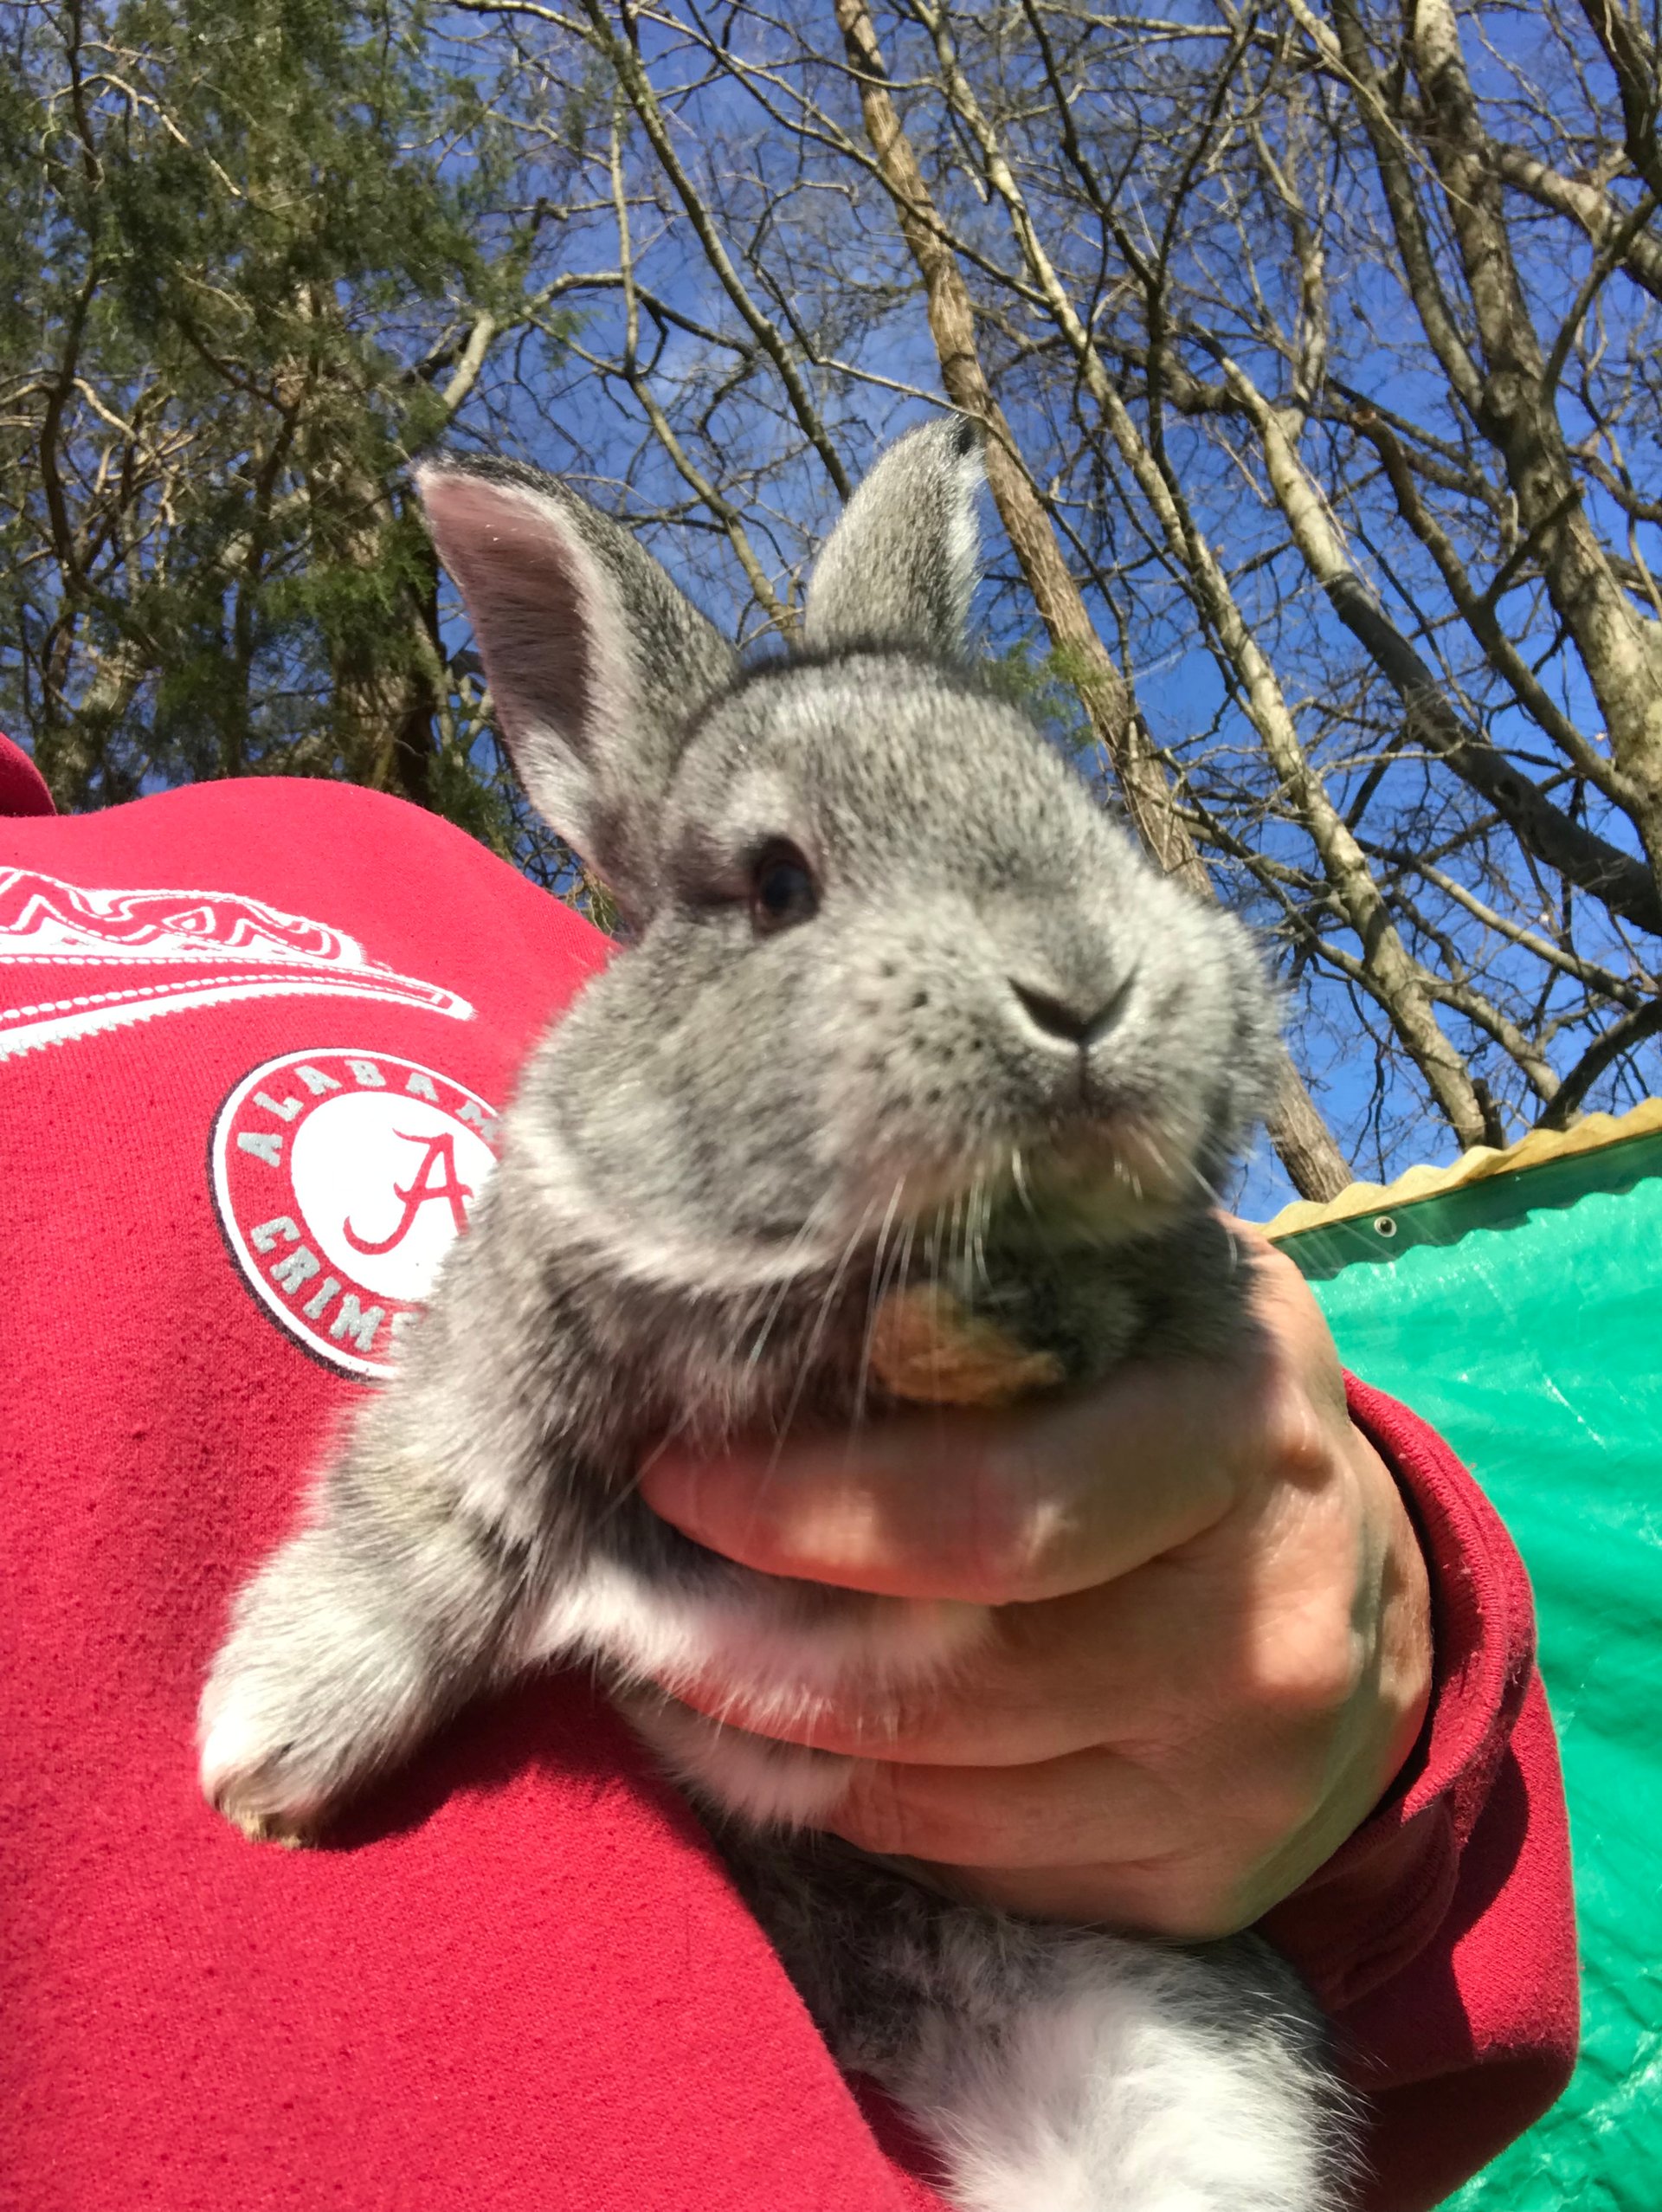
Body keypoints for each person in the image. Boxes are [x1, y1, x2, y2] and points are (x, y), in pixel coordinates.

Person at [0, 734, 1575, 2212]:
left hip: (1051, 1986)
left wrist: (1364, 1618)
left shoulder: (347, 865)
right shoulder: (635, 1084)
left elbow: (1255, 1462)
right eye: (789, 892)